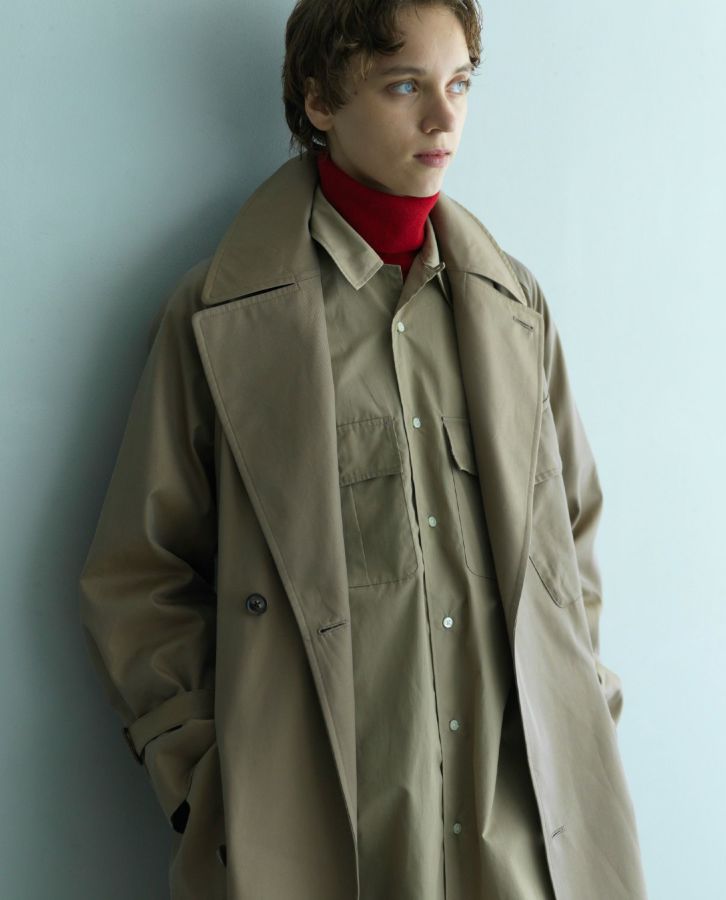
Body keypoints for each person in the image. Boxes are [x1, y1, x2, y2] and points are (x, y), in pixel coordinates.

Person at [79, 1, 648, 898]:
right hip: (324, 837)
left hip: (522, 843)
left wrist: (584, 704)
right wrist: (204, 784)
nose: (444, 118)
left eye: (459, 83)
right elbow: (137, 573)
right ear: (319, 101)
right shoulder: (220, 316)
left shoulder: (515, 308)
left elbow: (568, 540)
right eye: (404, 86)